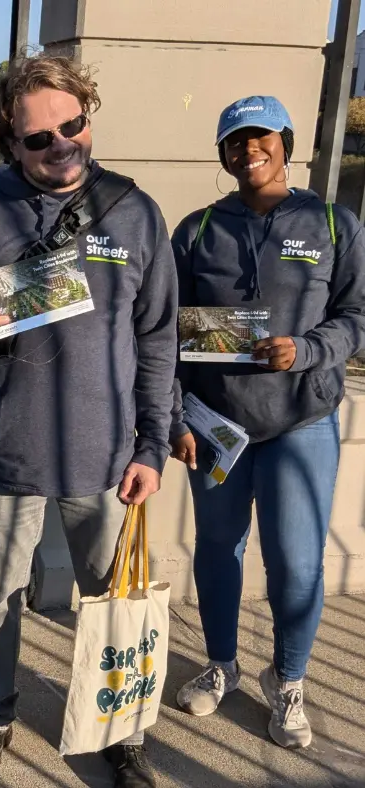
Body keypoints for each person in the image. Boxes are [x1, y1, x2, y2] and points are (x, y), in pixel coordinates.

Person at [0, 53, 177, 788]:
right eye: (39, 139)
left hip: (108, 457)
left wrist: (154, 446)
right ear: (10, 142)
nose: (62, 145)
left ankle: (118, 725)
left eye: (74, 126)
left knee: (110, 604)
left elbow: (159, 337)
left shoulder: (134, 210)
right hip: (9, 452)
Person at [170, 96, 365, 750]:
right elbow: (165, 331)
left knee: (297, 564)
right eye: (234, 142)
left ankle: (288, 681)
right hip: (217, 426)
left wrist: (306, 349)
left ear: (285, 141)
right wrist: (173, 415)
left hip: (300, 422)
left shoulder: (334, 224)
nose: (248, 150)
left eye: (261, 137)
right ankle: (221, 663)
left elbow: (357, 316)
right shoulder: (197, 230)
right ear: (222, 154)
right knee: (218, 551)